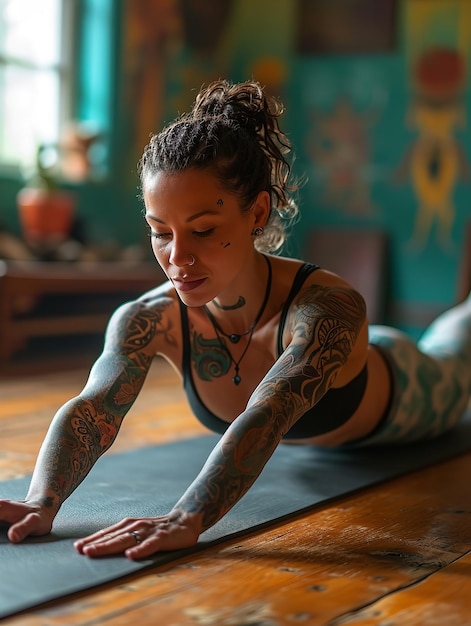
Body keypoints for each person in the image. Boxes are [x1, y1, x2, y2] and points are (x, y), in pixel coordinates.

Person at [1, 80, 470, 560]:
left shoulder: (328, 308)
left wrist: (187, 517)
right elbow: (95, 406)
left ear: (257, 212)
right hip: (333, 429)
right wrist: (40, 502)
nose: (177, 257)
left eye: (203, 230)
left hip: (416, 387)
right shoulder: (146, 319)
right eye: (160, 232)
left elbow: (268, 412)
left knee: (460, 338)